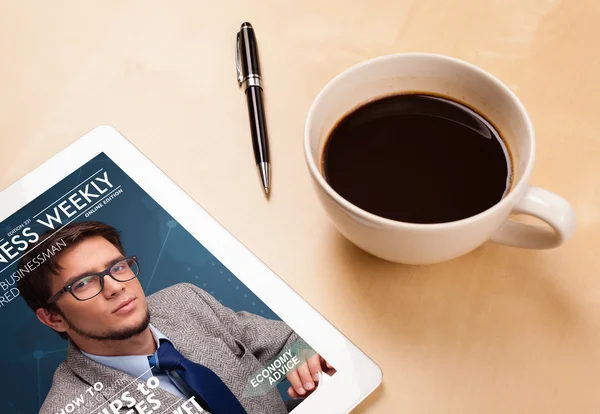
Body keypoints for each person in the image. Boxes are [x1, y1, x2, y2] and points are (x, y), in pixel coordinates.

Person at [17, 221, 334, 414]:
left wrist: (304, 357)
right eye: (83, 283)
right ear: (53, 318)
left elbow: (292, 342)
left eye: (117, 267)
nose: (115, 287)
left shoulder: (184, 300)